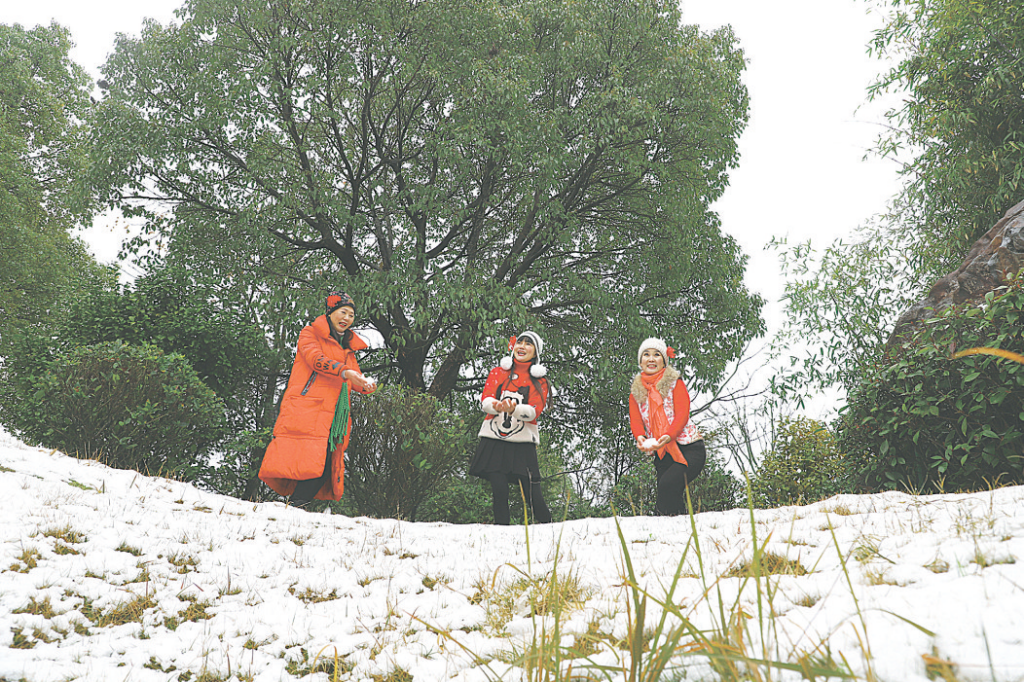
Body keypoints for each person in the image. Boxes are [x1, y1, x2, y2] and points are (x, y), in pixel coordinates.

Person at [259, 292, 376, 509]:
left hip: (333, 415)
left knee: (327, 464)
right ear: (330, 313)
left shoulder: (347, 347)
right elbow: (315, 360)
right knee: (307, 462)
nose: (347, 318)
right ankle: (290, 506)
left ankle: (294, 506)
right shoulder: (309, 333)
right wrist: (344, 371)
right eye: (343, 312)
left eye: (351, 315)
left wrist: (366, 385)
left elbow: (355, 377)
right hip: (307, 409)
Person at [469, 332, 553, 525]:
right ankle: (502, 533)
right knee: (499, 491)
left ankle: (552, 531)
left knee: (533, 495)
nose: (522, 346)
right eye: (520, 342)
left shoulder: (539, 381)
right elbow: (486, 399)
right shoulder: (498, 372)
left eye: (528, 344)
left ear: (536, 352)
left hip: (523, 442)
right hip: (494, 438)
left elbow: (534, 410)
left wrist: (514, 409)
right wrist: (496, 406)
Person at [628, 337, 706, 516]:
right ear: (640, 361)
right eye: (646, 355)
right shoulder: (636, 391)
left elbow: (682, 414)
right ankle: (679, 535)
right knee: (668, 500)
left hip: (689, 448)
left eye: (657, 355)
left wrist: (669, 435)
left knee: (667, 486)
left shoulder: (674, 383)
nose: (651, 359)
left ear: (664, 360)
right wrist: (640, 436)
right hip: (662, 451)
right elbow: (636, 420)